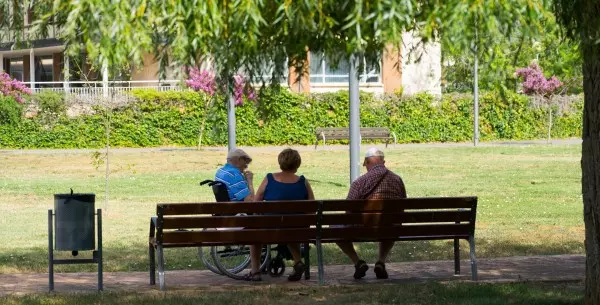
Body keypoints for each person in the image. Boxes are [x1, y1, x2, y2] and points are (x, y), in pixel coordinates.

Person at [336, 147, 407, 280]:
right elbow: (402, 206)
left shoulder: (359, 182)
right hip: (390, 228)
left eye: (365, 165)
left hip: (361, 228)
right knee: (391, 223)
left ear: (368, 162)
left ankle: (357, 262)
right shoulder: (398, 180)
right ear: (383, 162)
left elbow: (348, 210)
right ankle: (381, 261)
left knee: (334, 229)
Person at [249, 148, 315, 281]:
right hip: (297, 229)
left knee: (255, 233)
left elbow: (256, 203)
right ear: (298, 164)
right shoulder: (303, 181)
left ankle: (255, 271)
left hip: (270, 229)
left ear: (280, 162)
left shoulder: (269, 179)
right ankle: (297, 262)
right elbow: (312, 207)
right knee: (290, 226)